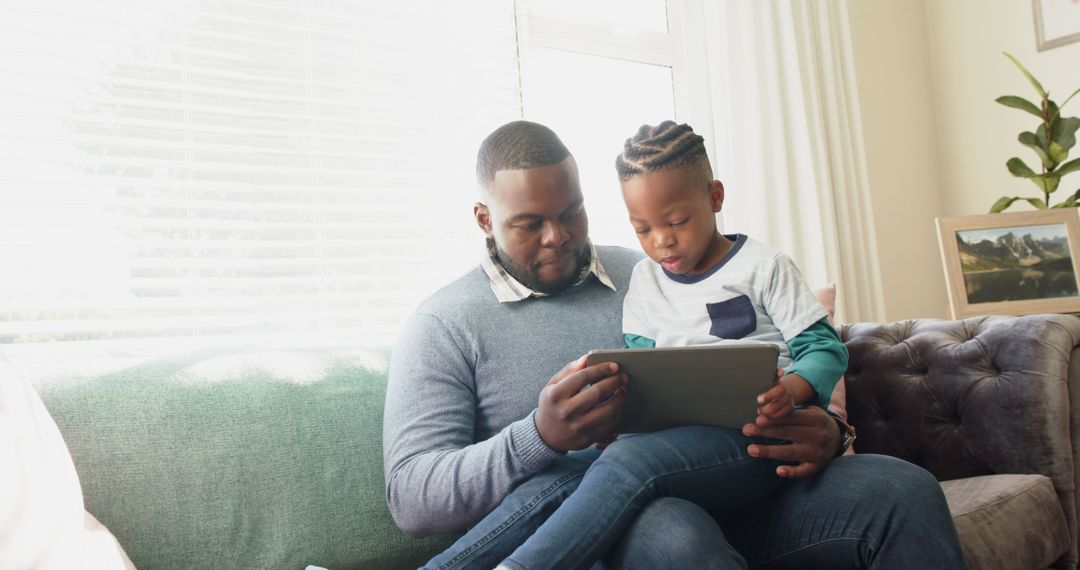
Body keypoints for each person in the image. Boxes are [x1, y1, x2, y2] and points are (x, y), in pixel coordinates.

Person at [383, 120, 967, 569]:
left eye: (572, 213)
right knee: (673, 531)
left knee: (905, 490)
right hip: (622, 515)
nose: (557, 236)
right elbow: (412, 500)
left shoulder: (649, 269)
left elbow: (796, 348)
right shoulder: (443, 324)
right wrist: (538, 438)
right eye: (529, 222)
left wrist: (829, 426)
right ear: (485, 218)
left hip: (748, 473)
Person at [486, 121, 849, 569]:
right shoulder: (644, 279)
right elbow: (644, 367)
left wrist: (790, 392)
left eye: (677, 221)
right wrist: (621, 414)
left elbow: (826, 349)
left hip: (757, 440)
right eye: (642, 229)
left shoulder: (764, 266)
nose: (661, 241)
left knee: (629, 463)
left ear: (715, 198)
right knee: (584, 467)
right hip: (679, 449)